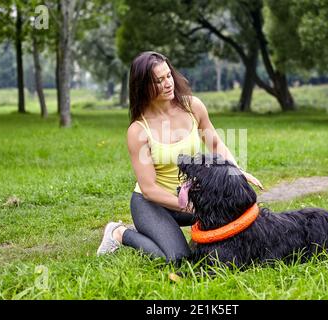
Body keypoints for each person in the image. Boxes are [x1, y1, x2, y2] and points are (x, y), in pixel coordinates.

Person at [97, 51, 263, 264]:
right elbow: (149, 189)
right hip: (153, 204)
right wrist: (189, 206)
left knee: (237, 209)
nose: (167, 84)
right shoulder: (138, 130)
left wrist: (235, 172)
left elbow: (215, 144)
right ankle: (119, 233)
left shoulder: (193, 106)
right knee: (179, 259)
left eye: (168, 76)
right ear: (143, 86)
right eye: (158, 81)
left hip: (190, 198)